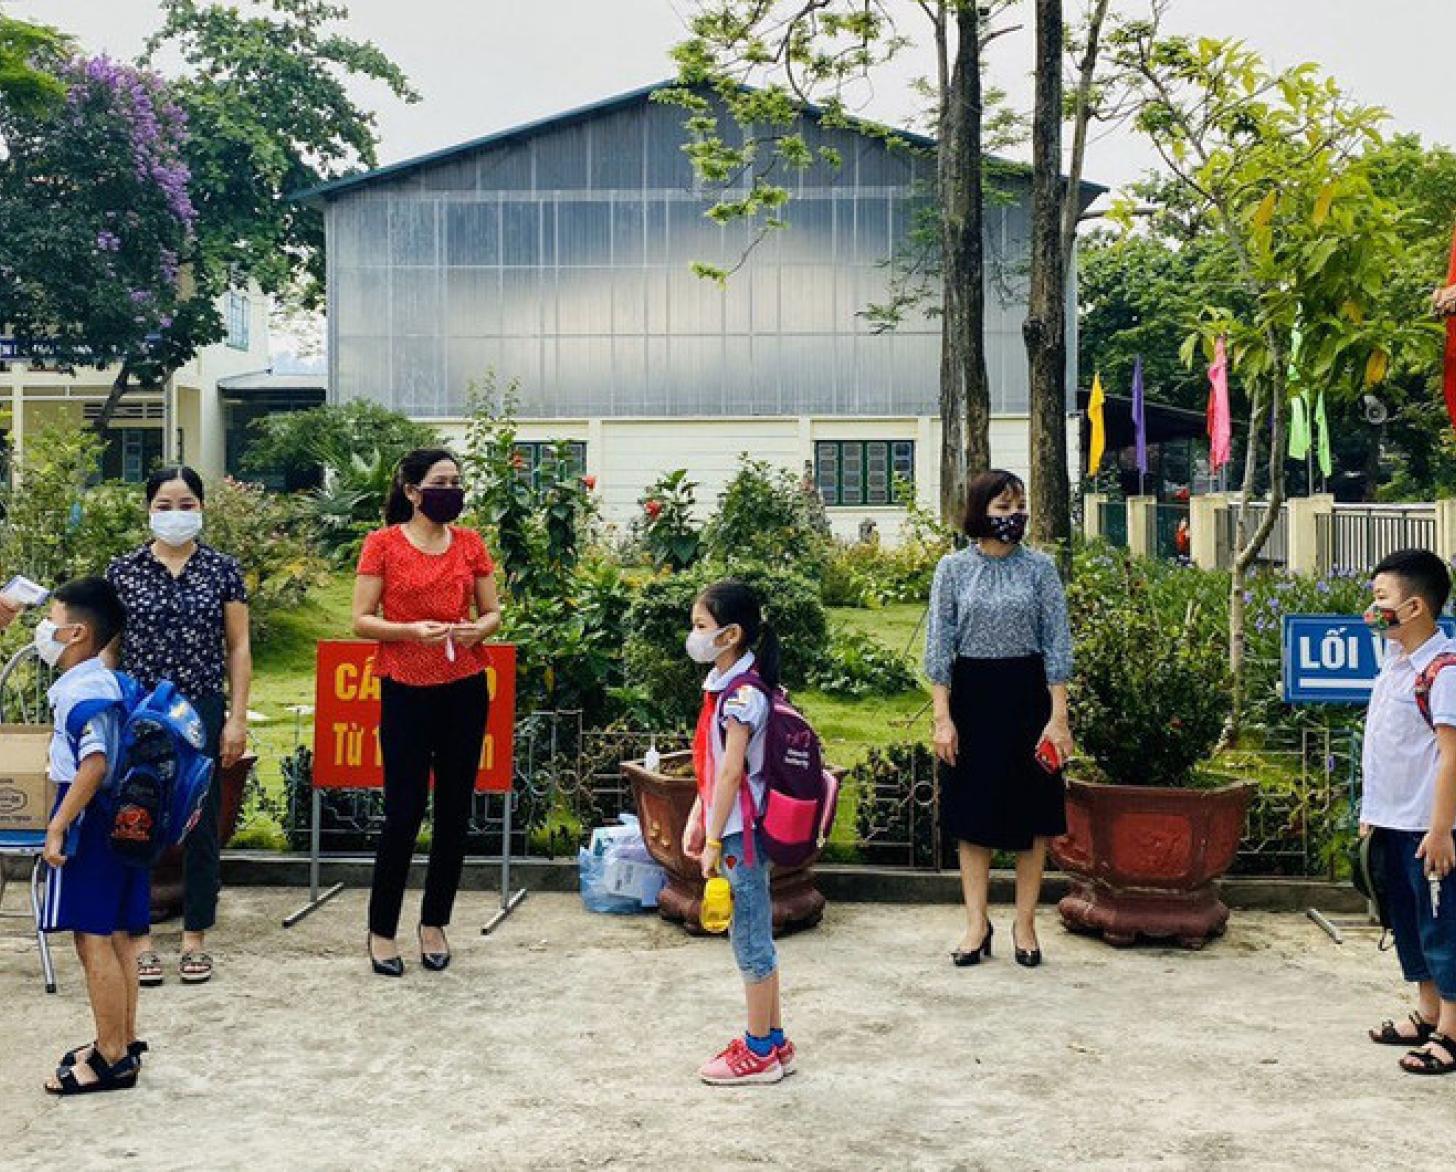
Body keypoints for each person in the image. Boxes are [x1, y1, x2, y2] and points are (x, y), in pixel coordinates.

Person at [353, 448, 502, 977]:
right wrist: (409, 632)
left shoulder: (470, 543)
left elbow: (492, 611)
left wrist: (477, 629)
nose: (452, 490)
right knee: (403, 812)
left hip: (464, 687)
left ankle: (435, 922)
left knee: (456, 813)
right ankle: (381, 930)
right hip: (405, 690)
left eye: (457, 481)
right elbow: (361, 620)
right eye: (441, 481)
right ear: (413, 491)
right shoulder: (383, 544)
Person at [106, 467, 251, 987]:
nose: (176, 514)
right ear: (148, 509)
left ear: (202, 507)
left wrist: (236, 718)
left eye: (186, 504)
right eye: (164, 505)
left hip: (202, 708)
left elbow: (238, 647)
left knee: (202, 818)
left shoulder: (222, 570)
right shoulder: (123, 571)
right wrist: (107, 709)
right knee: (137, 815)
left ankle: (195, 938)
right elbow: (110, 647)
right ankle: (140, 938)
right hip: (141, 710)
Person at [926, 470, 1074, 969]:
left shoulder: (1041, 570)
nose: (1014, 517)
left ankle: (1026, 923)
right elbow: (939, 649)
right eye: (1003, 508)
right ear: (979, 511)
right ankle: (976, 922)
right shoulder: (952, 569)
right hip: (972, 699)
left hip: (1029, 699)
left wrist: (1059, 718)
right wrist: (943, 718)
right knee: (974, 817)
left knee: (1033, 816)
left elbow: (1057, 645)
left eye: (1019, 507)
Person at [682, 580, 796, 1086]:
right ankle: (773, 1039)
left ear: (731, 634)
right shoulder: (733, 683)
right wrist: (698, 817)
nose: (694, 636)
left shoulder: (741, 695)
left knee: (749, 936)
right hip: (738, 826)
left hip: (740, 834)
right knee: (757, 931)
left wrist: (711, 840)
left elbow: (731, 773)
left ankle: (757, 1054)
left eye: (701, 627)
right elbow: (714, 769)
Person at [37, 577, 146, 1095]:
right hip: (119, 820)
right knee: (118, 934)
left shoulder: (83, 690)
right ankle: (120, 1041)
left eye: (52, 621)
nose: (45, 630)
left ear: (76, 632)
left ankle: (110, 1056)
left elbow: (93, 764)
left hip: (88, 820)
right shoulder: (105, 679)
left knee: (92, 938)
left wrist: (58, 826)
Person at [1359, 549, 1456, 1075]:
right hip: (1391, 823)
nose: (1372, 610)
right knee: (1409, 924)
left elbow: (1451, 757)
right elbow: (1386, 746)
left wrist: (1442, 829)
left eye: (1381, 600)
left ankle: (1452, 1032)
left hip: (1429, 830)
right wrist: (1370, 812)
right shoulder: (1395, 666)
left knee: (1443, 926)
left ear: (1415, 606)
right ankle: (1427, 1011)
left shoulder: (1445, 671)